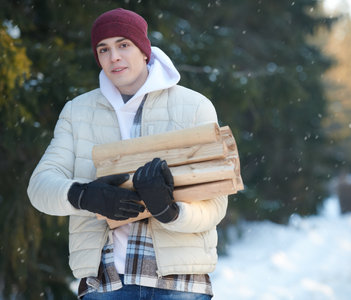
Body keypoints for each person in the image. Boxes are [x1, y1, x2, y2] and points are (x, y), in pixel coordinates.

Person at [27, 7, 228, 299]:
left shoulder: (194, 106)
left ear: (144, 50)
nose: (114, 57)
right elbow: (39, 187)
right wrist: (85, 196)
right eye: (103, 49)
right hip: (105, 283)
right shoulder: (78, 112)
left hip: (179, 284)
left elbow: (216, 202)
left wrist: (170, 212)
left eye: (123, 45)